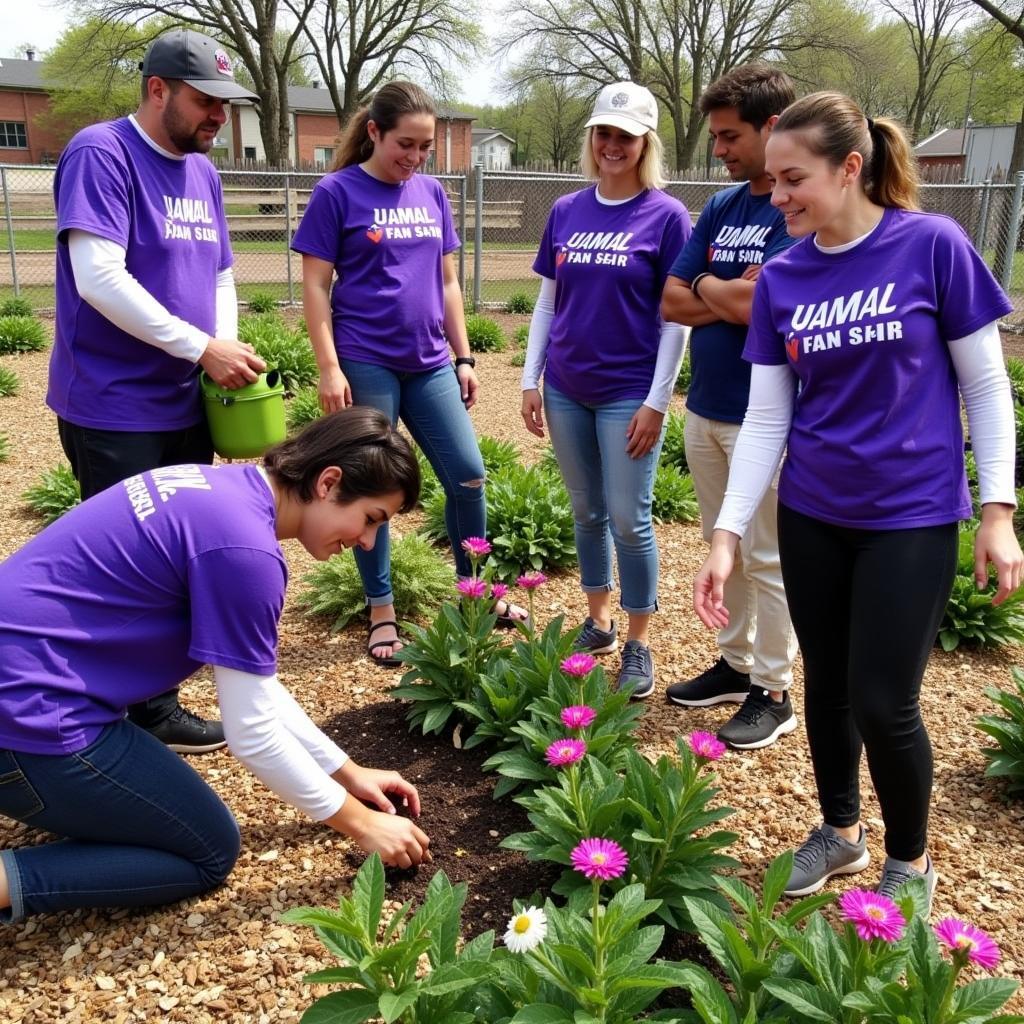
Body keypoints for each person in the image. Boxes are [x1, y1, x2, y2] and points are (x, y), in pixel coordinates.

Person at [693, 91, 1022, 907]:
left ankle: (909, 862)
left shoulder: (932, 246)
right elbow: (769, 416)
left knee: (885, 699)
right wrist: (727, 534)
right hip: (813, 512)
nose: (778, 198)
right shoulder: (783, 279)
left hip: (909, 517)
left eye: (793, 179)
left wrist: (998, 511)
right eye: (771, 182)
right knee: (829, 687)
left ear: (851, 168)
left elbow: (985, 385)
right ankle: (840, 832)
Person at [0, 408, 433, 923]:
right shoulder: (245, 554)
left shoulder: (217, 488)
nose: (366, 542)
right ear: (329, 481)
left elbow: (259, 688)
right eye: (370, 519)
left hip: (25, 685)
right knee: (207, 850)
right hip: (27, 720)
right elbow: (252, 734)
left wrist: (346, 772)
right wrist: (361, 824)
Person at [47, 28, 268, 753]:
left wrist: (223, 356)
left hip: (181, 399)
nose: (218, 119)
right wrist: (200, 346)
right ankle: (116, 714)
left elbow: (221, 275)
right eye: (206, 101)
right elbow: (99, 278)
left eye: (224, 106)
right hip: (113, 403)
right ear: (157, 89)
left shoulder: (202, 171)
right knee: (124, 563)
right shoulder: (101, 152)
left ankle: (148, 705)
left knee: (173, 553)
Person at [292, 81, 527, 668]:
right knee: (371, 486)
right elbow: (316, 288)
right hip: (365, 360)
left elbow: (448, 283)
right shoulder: (336, 192)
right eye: (406, 144)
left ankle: (476, 593)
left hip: (429, 363)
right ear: (374, 131)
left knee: (469, 476)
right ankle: (381, 608)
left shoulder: (432, 193)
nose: (416, 158)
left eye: (426, 146)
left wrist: (465, 355)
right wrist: (328, 367)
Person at [520, 82, 691, 698]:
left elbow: (677, 317)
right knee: (586, 511)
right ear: (591, 139)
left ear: (645, 143)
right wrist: (529, 377)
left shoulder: (666, 216)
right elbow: (548, 300)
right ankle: (599, 622)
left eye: (625, 135)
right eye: (603, 134)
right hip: (566, 385)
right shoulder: (567, 210)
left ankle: (640, 640)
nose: (612, 145)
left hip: (628, 391)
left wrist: (656, 400)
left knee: (629, 517)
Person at [661, 65, 799, 750]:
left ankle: (774, 689)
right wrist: (729, 290)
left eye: (729, 135)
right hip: (708, 406)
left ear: (771, 127)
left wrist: (713, 290)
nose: (719, 148)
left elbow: (765, 304)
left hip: (765, 416)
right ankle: (736, 663)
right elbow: (671, 299)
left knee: (767, 556)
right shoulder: (719, 207)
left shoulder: (796, 205)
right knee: (725, 546)